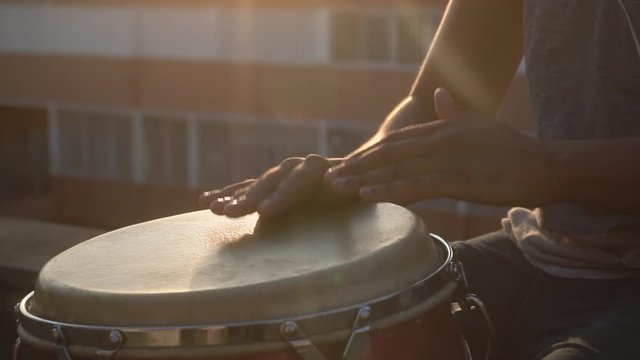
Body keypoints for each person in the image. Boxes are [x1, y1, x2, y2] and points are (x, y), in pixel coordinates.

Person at [199, 0, 640, 359]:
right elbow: (435, 98)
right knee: (296, 315)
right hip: (545, 247)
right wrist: (348, 173)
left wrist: (545, 167)